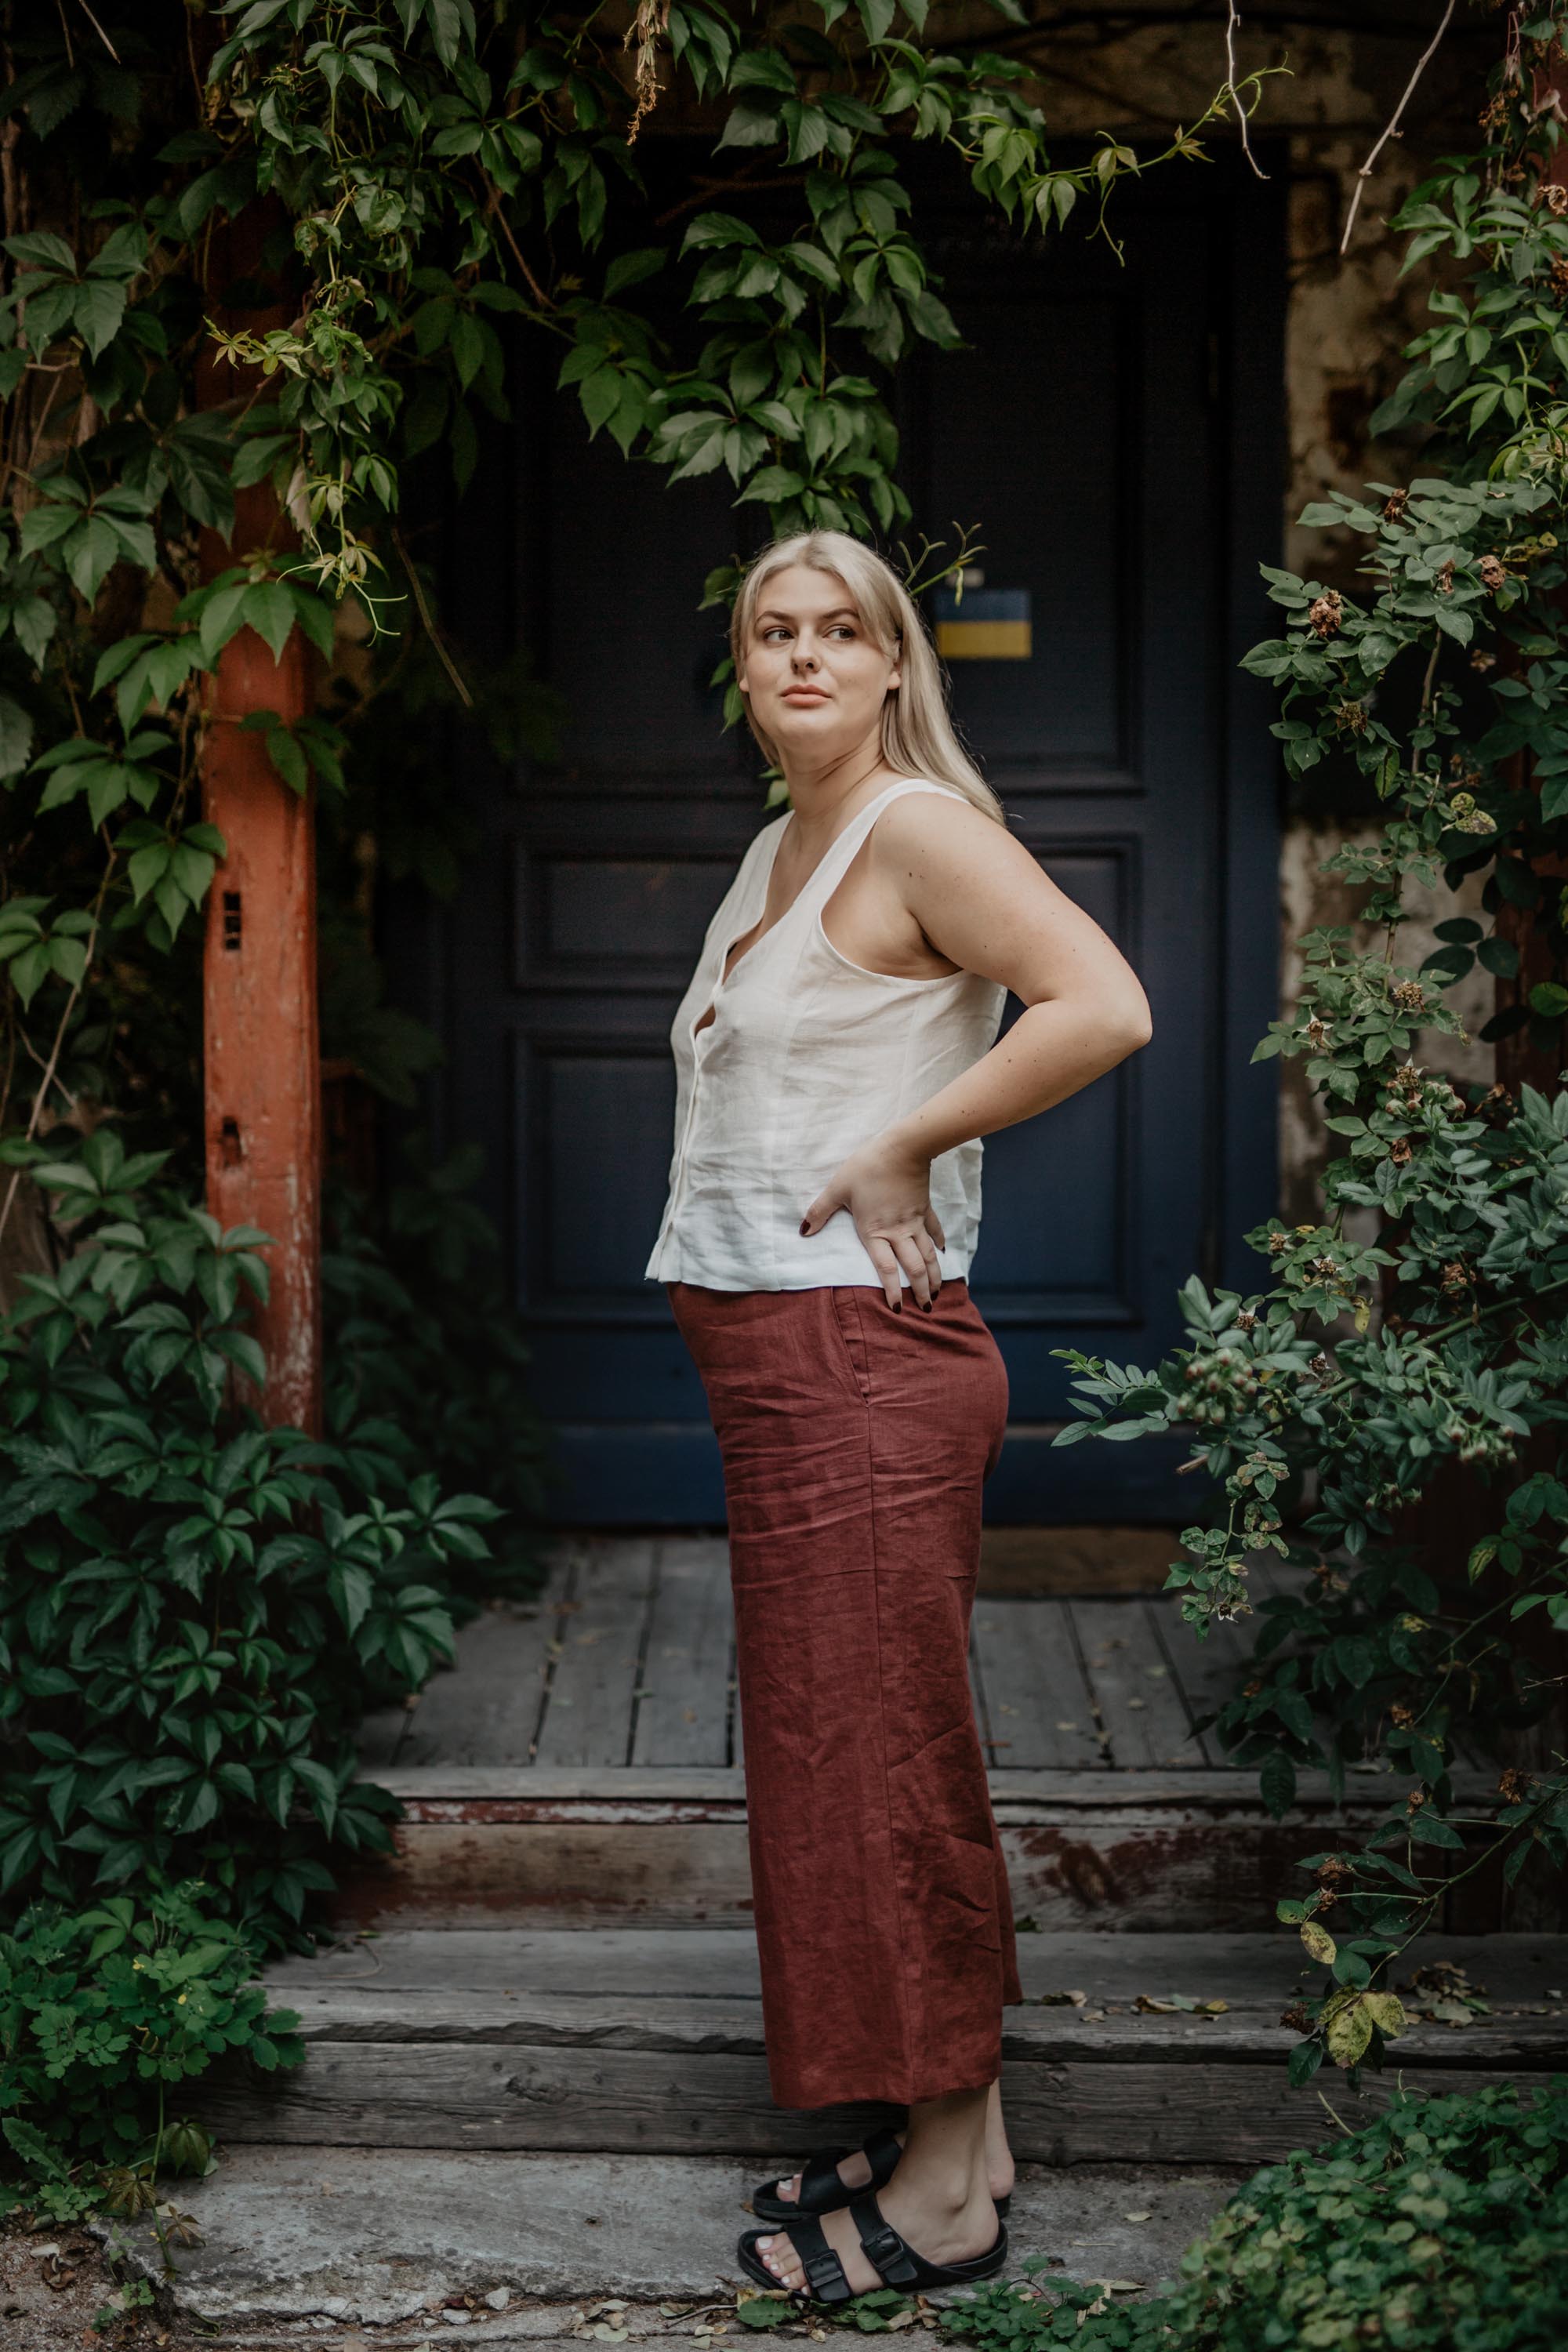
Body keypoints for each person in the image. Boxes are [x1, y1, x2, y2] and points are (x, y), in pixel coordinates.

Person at [644, 529, 1152, 2307]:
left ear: (889, 664)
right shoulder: (779, 846)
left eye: (835, 631)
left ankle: (947, 2199)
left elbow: (1105, 1002)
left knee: (882, 1771)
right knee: (839, 1760)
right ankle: (959, 2129)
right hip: (781, 1364)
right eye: (770, 631)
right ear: (749, 668)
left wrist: (903, 1143)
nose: (800, 656)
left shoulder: (916, 828)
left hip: (861, 1359)